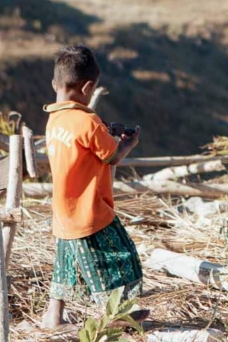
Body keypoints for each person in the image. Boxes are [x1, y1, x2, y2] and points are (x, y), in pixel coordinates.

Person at [41, 45, 147, 329]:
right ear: (88, 87)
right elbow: (111, 155)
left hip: (64, 211)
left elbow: (87, 149)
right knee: (119, 257)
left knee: (66, 266)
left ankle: (53, 317)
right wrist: (127, 143)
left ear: (55, 84)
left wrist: (105, 131)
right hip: (89, 212)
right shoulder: (87, 121)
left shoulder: (54, 119)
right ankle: (116, 315)